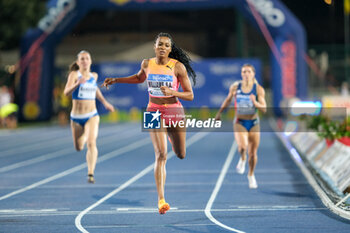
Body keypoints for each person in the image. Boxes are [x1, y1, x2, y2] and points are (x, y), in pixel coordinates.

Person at [102, 32, 196, 214]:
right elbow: (139, 78)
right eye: (160, 44)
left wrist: (172, 92)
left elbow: (190, 95)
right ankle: (161, 199)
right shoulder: (147, 63)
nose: (163, 47)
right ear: (155, 46)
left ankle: (171, 136)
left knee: (181, 153)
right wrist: (116, 79)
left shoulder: (177, 67)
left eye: (166, 45)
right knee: (161, 155)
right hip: (153, 110)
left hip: (174, 110)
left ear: (170, 49)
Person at [64, 50, 115, 183]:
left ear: (90, 61)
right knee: (79, 147)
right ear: (78, 62)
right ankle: (86, 134)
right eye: (82, 59)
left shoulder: (94, 76)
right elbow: (66, 93)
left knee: (92, 143)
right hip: (76, 117)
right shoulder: (74, 74)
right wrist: (77, 83)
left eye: (87, 58)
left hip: (92, 115)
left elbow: (96, 90)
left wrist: (105, 103)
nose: (85, 61)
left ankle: (90, 173)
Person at [216, 64, 266, 189]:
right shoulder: (235, 87)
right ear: (241, 74)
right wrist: (219, 113)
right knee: (243, 147)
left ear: (253, 74)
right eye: (244, 72)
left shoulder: (258, 89)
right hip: (240, 122)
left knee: (253, 153)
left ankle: (251, 174)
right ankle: (243, 159)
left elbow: (264, 108)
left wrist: (255, 103)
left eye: (248, 71)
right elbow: (228, 100)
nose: (246, 74)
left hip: (254, 122)